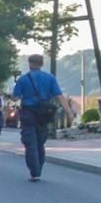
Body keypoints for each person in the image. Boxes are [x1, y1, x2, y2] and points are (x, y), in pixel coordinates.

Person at [12, 53, 64, 181]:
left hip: (28, 112)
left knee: (30, 142)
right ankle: (38, 167)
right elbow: (59, 96)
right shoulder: (50, 78)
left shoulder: (23, 79)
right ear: (42, 64)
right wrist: (68, 111)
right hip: (44, 113)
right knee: (40, 142)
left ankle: (34, 171)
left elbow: (15, 97)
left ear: (30, 63)